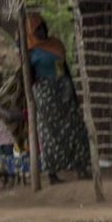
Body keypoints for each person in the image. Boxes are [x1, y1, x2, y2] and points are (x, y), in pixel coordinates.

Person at [25, 13, 90, 183]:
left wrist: (73, 91)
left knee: (75, 127)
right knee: (49, 132)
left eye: (43, 27)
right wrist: (33, 95)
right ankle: (52, 174)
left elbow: (65, 67)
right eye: (37, 29)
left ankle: (81, 167)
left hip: (63, 89)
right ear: (31, 32)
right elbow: (28, 77)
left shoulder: (56, 44)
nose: (42, 31)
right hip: (45, 93)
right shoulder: (30, 51)